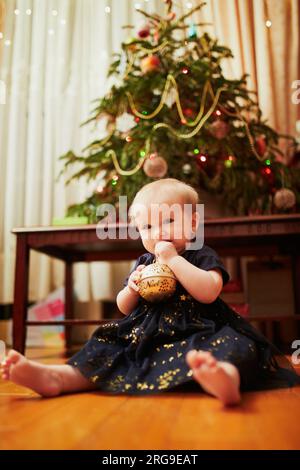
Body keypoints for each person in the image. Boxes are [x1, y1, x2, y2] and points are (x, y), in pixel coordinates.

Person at [1, 178, 299, 405]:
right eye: (147, 227)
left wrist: (173, 259)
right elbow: (125, 308)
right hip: (146, 335)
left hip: (200, 331)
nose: (158, 233)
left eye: (169, 220)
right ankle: (57, 378)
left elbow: (209, 292)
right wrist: (130, 288)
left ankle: (223, 378)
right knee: (105, 348)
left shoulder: (200, 254)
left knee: (235, 347)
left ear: (193, 222)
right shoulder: (143, 262)